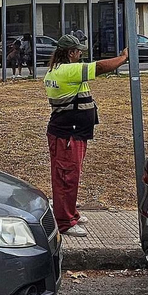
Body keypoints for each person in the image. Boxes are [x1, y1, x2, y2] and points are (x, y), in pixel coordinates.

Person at [43, 35, 128, 237]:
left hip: (71, 132)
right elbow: (99, 67)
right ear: (70, 53)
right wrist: (123, 57)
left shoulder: (57, 70)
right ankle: (65, 222)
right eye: (78, 51)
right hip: (67, 135)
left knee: (70, 175)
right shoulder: (68, 70)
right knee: (66, 178)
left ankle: (71, 213)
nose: (81, 54)